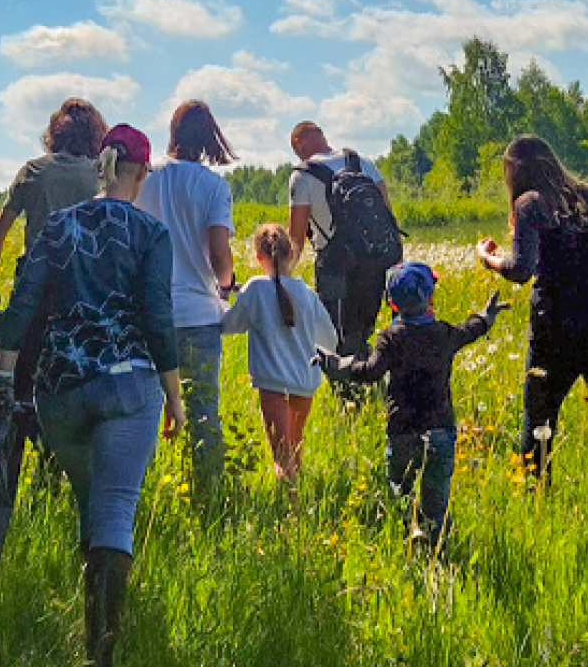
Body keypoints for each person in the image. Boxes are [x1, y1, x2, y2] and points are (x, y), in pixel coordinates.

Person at [0, 124, 187, 667]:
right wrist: (173, 394)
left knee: (89, 505)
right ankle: (98, 660)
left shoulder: (59, 225)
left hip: (61, 391)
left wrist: (5, 378)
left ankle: (92, 622)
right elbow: (156, 317)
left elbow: (23, 304)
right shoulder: (150, 233)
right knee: (116, 509)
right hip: (127, 387)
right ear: (141, 173)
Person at [475, 134, 588, 529]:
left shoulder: (530, 205)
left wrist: (488, 258)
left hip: (556, 334)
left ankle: (536, 520)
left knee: (538, 429)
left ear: (513, 174)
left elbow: (521, 270)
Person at [315, 262, 509, 546]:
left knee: (399, 490)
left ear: (391, 303)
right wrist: (486, 316)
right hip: (440, 432)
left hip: (402, 431)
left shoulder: (390, 338)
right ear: (430, 300)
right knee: (436, 498)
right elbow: (470, 329)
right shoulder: (443, 333)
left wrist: (337, 364)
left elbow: (370, 371)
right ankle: (435, 543)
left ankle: (409, 531)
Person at [135, 100, 236, 504]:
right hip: (197, 313)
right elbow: (218, 252)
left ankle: (138, 490)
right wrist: (225, 285)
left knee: (142, 407)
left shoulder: (147, 178)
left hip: (148, 311)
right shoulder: (213, 187)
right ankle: (207, 492)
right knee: (202, 408)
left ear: (173, 133)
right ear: (211, 136)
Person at [220, 224, 337, 486]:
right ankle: (300, 497)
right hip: (305, 381)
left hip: (273, 381)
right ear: (291, 255)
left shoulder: (255, 288)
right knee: (294, 446)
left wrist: (222, 299)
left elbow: (228, 326)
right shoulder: (306, 293)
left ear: (259, 257)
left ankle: (290, 513)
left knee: (281, 458)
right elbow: (330, 340)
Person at [0, 99, 108, 319]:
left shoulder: (33, 171)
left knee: (18, 349)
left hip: (35, 283)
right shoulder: (100, 177)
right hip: (85, 286)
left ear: (54, 134)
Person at [288, 121, 397, 365]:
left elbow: (295, 238)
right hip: (373, 262)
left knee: (335, 336)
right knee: (362, 333)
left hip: (334, 265)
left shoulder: (302, 175)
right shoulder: (364, 164)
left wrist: (281, 279)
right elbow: (388, 215)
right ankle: (367, 381)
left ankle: (347, 394)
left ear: (299, 142)